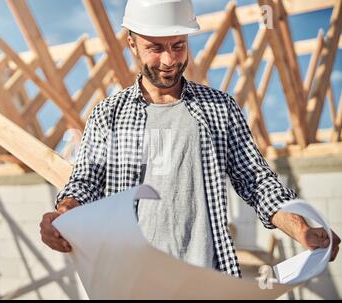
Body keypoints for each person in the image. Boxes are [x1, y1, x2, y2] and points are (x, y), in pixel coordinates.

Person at [40, 0, 340, 277]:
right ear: (132, 43)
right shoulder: (109, 114)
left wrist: (301, 228)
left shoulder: (218, 108)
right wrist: (65, 214)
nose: (169, 60)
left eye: (178, 45)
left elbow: (257, 182)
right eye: (155, 48)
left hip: (207, 280)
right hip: (129, 278)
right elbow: (85, 182)